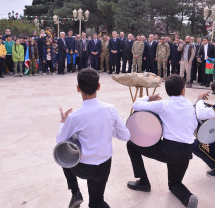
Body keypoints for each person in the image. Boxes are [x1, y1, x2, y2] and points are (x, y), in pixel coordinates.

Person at [56, 68, 130, 208]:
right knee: (97, 201)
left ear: (78, 89)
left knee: (62, 156)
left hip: (83, 168)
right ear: (99, 86)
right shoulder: (111, 109)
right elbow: (126, 135)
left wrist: (62, 123)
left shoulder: (74, 117)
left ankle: (75, 191)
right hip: (104, 166)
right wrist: (108, 128)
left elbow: (60, 142)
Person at [126, 75, 198, 208]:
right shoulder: (189, 105)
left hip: (169, 150)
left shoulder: (164, 104)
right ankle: (188, 198)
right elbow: (193, 126)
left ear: (167, 91)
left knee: (131, 145)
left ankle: (143, 182)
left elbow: (136, 105)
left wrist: (148, 97)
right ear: (183, 91)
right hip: (187, 152)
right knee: (174, 184)